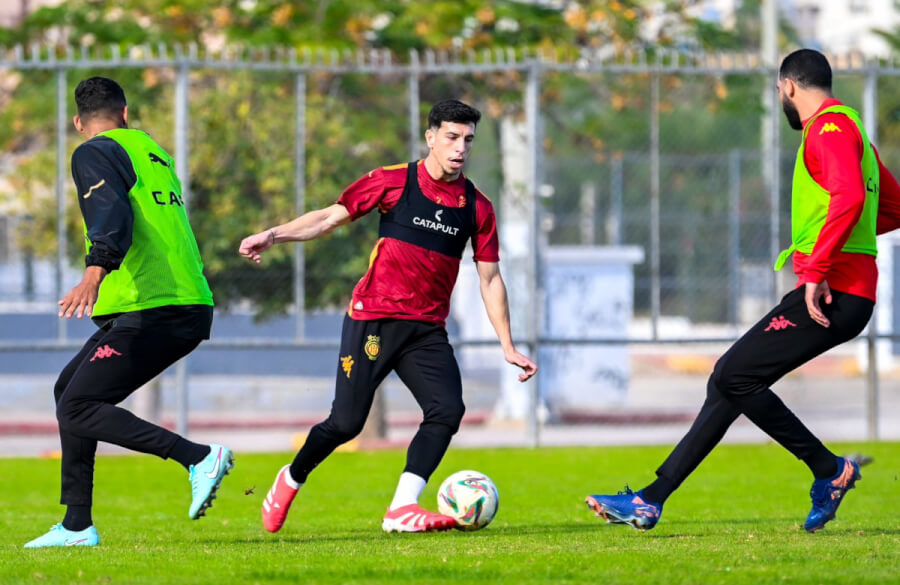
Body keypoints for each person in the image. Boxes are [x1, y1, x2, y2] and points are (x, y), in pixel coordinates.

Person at [586, 49, 900, 533]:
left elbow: (851, 197)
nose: (781, 98)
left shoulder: (829, 129)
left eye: (779, 92)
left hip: (833, 290)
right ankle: (650, 499)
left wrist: (818, 267)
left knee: (733, 374)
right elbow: (891, 209)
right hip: (846, 289)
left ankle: (829, 469)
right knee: (728, 382)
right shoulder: (855, 130)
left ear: (789, 88)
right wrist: (837, 248)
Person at [240, 99, 537, 533]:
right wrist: (273, 234)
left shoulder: (477, 207)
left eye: (468, 140)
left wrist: (507, 345)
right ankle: (291, 476)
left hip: (426, 329)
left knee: (447, 410)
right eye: (451, 137)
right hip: (373, 319)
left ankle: (401, 507)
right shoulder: (392, 181)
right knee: (345, 424)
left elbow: (490, 279)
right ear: (431, 137)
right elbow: (327, 219)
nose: (459, 148)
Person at [24, 77, 233, 548]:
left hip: (155, 305)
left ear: (78, 122)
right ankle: (77, 524)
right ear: (126, 112)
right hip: (181, 300)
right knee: (69, 393)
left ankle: (197, 457)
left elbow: (111, 215)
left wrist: (93, 274)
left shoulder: (93, 152)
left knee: (78, 405)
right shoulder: (151, 150)